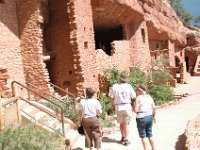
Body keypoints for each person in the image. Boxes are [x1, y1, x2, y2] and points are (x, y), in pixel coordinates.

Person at [108, 72, 136, 146]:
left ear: (119, 78)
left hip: (118, 106)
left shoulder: (115, 86)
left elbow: (111, 97)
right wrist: (133, 105)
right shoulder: (129, 86)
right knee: (126, 123)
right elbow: (133, 96)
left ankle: (123, 137)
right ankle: (126, 139)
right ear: (126, 79)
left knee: (121, 123)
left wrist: (113, 105)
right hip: (127, 106)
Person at [133, 85, 156, 150]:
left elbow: (136, 110)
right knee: (150, 134)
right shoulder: (149, 97)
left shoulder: (138, 98)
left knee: (143, 136)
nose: (136, 92)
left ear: (139, 91)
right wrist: (153, 117)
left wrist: (134, 105)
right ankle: (153, 148)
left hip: (141, 118)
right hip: (149, 116)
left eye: (136, 91)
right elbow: (154, 108)